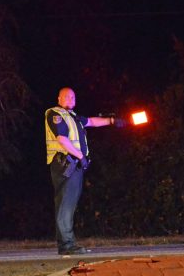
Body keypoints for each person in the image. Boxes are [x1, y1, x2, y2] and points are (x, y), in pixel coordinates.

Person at [45, 87, 125, 255]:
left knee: (68, 203)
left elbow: (92, 121)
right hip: (66, 164)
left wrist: (111, 120)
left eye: (73, 97)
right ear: (58, 98)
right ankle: (67, 245)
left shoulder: (74, 117)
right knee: (66, 204)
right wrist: (80, 156)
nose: (70, 99)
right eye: (66, 96)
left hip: (73, 164)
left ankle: (67, 243)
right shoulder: (55, 114)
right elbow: (61, 139)